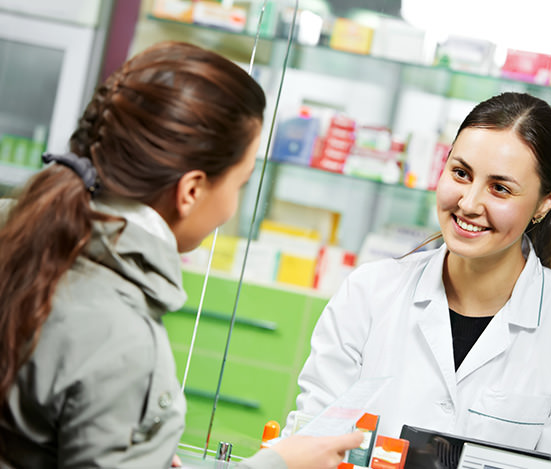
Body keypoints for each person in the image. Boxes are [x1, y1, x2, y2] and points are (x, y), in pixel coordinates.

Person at [0, 41, 362, 469]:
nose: (231, 208)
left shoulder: (22, 232)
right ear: (191, 191)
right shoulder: (123, 339)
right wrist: (278, 464)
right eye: (240, 183)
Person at [283, 92, 551, 460]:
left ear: (546, 200)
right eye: (461, 173)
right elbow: (310, 446)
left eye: (500, 188)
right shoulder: (369, 292)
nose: (469, 203)